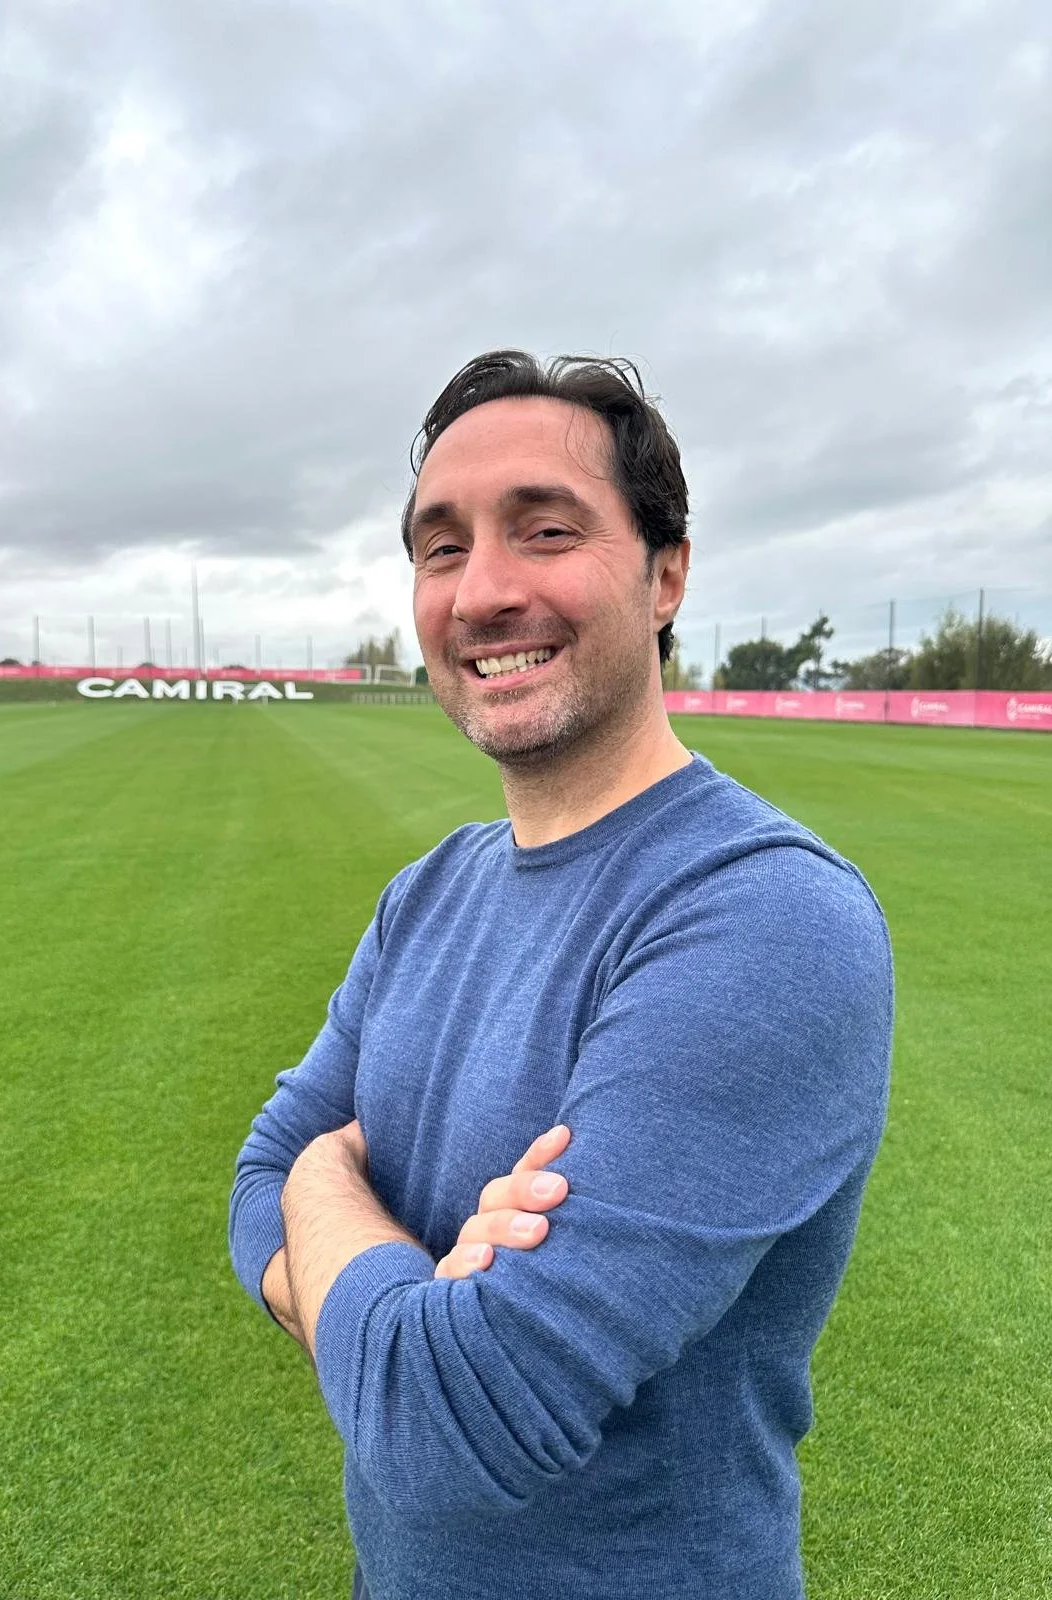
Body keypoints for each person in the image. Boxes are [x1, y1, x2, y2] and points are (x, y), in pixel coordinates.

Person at [229, 350, 893, 1600]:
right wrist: (395, 1295)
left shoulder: (764, 916)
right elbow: (253, 1177)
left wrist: (329, 1184)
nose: (483, 591)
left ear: (665, 574)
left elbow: (443, 1428)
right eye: (441, 547)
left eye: (546, 530)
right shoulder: (429, 891)